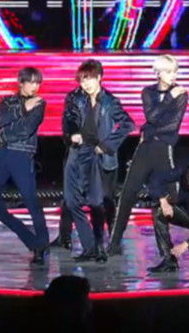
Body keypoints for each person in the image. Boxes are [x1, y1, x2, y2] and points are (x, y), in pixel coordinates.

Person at [107, 54, 188, 256]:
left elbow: (173, 125)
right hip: (144, 149)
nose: (173, 75)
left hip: (163, 148)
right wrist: (169, 99)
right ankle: (114, 244)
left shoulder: (181, 93)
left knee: (167, 198)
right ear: (158, 73)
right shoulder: (148, 92)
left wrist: (149, 129)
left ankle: (168, 250)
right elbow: (151, 116)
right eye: (168, 71)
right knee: (127, 194)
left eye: (175, 71)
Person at [55, 59, 134, 262]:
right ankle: (90, 247)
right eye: (82, 80)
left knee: (97, 202)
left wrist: (106, 145)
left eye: (89, 79)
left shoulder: (110, 101)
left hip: (98, 154)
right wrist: (72, 133)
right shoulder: (74, 97)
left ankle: (98, 247)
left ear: (99, 77)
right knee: (71, 201)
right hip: (77, 151)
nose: (86, 84)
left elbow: (128, 124)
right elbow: (69, 118)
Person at [0, 67, 49, 266]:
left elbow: (26, 129)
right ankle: (31, 241)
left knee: (31, 201)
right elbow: (1, 119)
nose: (35, 87)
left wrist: (2, 135)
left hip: (22, 155)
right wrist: (23, 108)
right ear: (21, 82)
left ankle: (42, 244)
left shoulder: (40, 103)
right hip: (1, 156)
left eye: (37, 83)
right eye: (31, 82)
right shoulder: (7, 101)